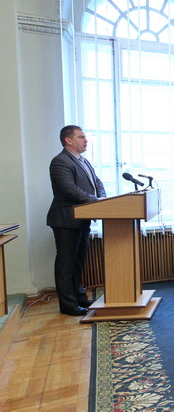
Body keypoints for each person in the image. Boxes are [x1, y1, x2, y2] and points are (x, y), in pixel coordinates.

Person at [47, 125, 107, 316]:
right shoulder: (60, 161)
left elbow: (97, 183)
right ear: (68, 140)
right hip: (66, 220)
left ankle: (80, 297)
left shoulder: (83, 160)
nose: (86, 140)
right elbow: (68, 189)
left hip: (82, 219)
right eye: (81, 137)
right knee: (66, 264)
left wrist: (103, 198)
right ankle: (68, 305)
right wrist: (96, 201)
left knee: (78, 262)